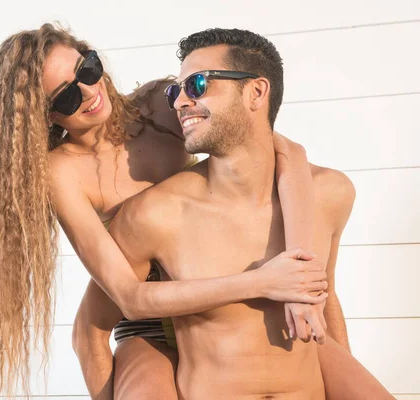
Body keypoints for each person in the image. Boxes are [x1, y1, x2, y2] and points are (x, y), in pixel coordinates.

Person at [0, 23, 382, 398]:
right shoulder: (62, 173)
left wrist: (300, 283)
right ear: (45, 116)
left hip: (222, 297)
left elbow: (281, 148)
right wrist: (266, 281)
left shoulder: (160, 106)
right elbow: (128, 297)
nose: (90, 93)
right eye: (68, 95)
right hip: (150, 319)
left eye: (88, 71)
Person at [90, 27, 393, 399]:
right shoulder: (157, 214)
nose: (181, 102)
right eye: (176, 91)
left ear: (256, 92)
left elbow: (325, 295)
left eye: (198, 84)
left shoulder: (331, 193)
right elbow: (91, 331)